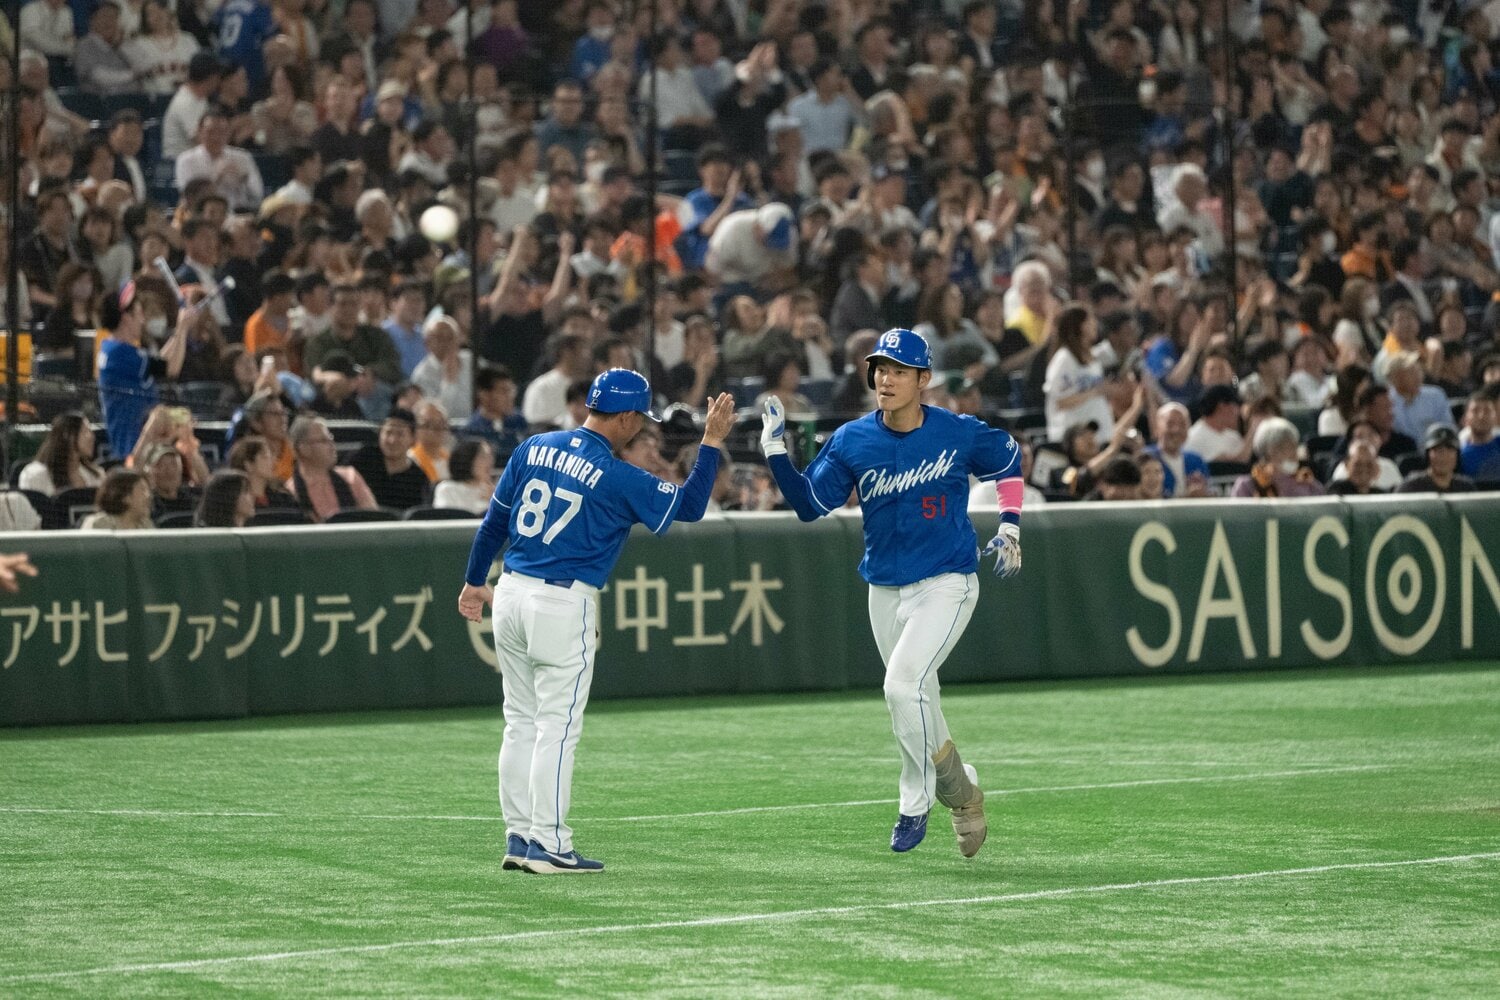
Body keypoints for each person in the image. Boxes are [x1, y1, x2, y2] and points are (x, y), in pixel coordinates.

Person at [457, 371, 735, 875]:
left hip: (511, 590)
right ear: (625, 417)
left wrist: (475, 581)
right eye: (639, 419)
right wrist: (711, 441)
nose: (640, 428)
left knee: (520, 722)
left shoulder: (533, 446)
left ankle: (519, 836)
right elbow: (692, 506)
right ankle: (549, 843)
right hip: (561, 601)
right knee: (556, 727)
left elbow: (494, 520)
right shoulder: (618, 475)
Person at [759, 328, 1022, 858]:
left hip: (948, 581)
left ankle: (914, 802)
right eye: (880, 368)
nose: (886, 378)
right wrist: (774, 451)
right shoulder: (853, 439)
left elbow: (1008, 459)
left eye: (899, 370)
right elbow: (810, 505)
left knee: (902, 688)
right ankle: (964, 794)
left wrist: (1011, 524)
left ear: (923, 379)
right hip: (883, 588)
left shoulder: (956, 431)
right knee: (919, 700)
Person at [97, 282, 193, 458]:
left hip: (140, 442)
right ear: (126, 318)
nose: (143, 321)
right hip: (133, 446)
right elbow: (171, 369)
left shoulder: (113, 349)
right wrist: (183, 328)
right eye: (140, 313)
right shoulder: (121, 353)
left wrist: (179, 330)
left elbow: (159, 363)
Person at [285, 415, 378, 522]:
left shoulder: (351, 477)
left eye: (331, 438)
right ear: (303, 448)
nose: (332, 445)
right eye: (324, 440)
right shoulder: (291, 492)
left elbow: (373, 519)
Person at [350, 408, 432, 511]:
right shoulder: (362, 459)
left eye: (400, 434)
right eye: (388, 432)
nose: (392, 440)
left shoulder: (418, 478)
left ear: (413, 439)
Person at [1231, 417, 1326, 498]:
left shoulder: (1309, 485)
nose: (1294, 454)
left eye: (1294, 447)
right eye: (1285, 448)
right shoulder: (1246, 487)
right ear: (1269, 452)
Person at [19, 413, 104, 497]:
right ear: (68, 436)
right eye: (85, 431)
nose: (92, 437)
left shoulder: (95, 475)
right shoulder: (35, 475)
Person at [1144, 402, 1210, 498]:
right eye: (1170, 424)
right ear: (1157, 428)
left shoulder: (1196, 461)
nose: (1176, 430)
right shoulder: (1146, 458)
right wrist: (1188, 498)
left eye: (1182, 424)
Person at [1397, 425, 1477, 494]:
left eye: (1450, 449)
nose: (1443, 456)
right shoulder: (1411, 487)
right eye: (1438, 450)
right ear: (1427, 454)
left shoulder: (1466, 488)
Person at [226, 435, 298, 509]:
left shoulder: (284, 499)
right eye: (265, 456)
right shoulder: (235, 504)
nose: (274, 462)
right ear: (249, 465)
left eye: (272, 456)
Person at [433, 438, 495, 513]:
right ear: (467, 459)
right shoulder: (447, 489)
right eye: (483, 456)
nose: (490, 461)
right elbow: (446, 516)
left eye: (490, 456)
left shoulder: (491, 492)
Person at [81, 469, 155, 530]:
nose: (149, 496)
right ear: (125, 497)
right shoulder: (99, 525)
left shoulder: (146, 525)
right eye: (143, 490)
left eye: (148, 491)